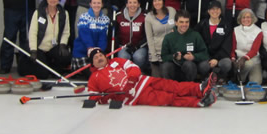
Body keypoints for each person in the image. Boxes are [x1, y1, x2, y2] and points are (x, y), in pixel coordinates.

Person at [87, 48, 217, 108]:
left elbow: (134, 68)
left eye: (101, 55)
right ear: (92, 63)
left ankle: (199, 88)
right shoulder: (94, 78)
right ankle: (198, 102)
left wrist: (131, 81)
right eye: (96, 57)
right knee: (169, 98)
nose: (99, 58)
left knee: (173, 86)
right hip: (136, 96)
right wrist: (108, 98)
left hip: (144, 81)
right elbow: (94, 97)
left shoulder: (116, 61)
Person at [19, 0, 71, 79]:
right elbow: (32, 33)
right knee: (43, 75)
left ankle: (53, 67)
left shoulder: (64, 13)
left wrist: (63, 45)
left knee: (65, 56)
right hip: (40, 48)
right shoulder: (38, 13)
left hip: (53, 47)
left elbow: (66, 32)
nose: (52, 0)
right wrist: (33, 50)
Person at [161, 10, 209, 82]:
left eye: (187, 22)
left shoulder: (195, 35)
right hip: (174, 66)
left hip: (189, 67)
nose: (184, 24)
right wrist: (174, 56)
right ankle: (170, 88)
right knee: (165, 66)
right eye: (181, 22)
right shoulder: (168, 37)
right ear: (176, 23)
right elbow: (164, 56)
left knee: (189, 65)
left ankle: (189, 87)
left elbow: (205, 54)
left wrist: (194, 56)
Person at [71, 0, 110, 78]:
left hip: (96, 54)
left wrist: (99, 50)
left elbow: (103, 37)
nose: (96, 5)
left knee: (102, 73)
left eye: (98, 3)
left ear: (102, 5)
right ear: (90, 4)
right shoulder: (84, 17)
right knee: (93, 75)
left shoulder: (105, 19)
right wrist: (90, 48)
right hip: (83, 52)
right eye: (94, 3)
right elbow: (84, 34)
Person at [196, 0, 233, 82]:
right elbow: (198, 43)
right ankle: (205, 79)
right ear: (208, 11)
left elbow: (227, 45)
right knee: (203, 66)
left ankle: (221, 78)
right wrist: (208, 58)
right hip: (205, 56)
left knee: (226, 63)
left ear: (220, 10)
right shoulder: (201, 24)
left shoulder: (226, 25)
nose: (215, 11)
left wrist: (216, 59)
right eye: (212, 9)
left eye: (217, 9)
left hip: (220, 57)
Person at [145, 0, 176, 78]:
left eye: (159, 0)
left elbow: (178, 25)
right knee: (157, 80)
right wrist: (153, 56)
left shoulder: (172, 11)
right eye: (155, 1)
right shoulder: (149, 17)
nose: (157, 2)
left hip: (171, 50)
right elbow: (149, 37)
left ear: (163, 1)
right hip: (157, 51)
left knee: (168, 76)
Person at [115, 0, 148, 72]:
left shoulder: (144, 17)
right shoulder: (119, 16)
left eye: (134, 2)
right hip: (124, 46)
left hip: (140, 46)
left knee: (138, 57)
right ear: (126, 4)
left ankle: (139, 72)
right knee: (123, 57)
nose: (132, 5)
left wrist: (137, 46)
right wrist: (119, 45)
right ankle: (126, 74)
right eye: (130, 2)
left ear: (138, 4)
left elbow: (147, 36)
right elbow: (115, 34)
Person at [231, 8, 263, 85]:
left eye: (248, 17)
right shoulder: (236, 30)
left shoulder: (258, 31)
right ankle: (240, 78)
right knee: (245, 66)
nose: (246, 19)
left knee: (256, 83)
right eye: (243, 17)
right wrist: (233, 59)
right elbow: (233, 48)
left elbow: (254, 50)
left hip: (253, 60)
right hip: (239, 59)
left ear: (252, 18)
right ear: (240, 19)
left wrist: (244, 58)